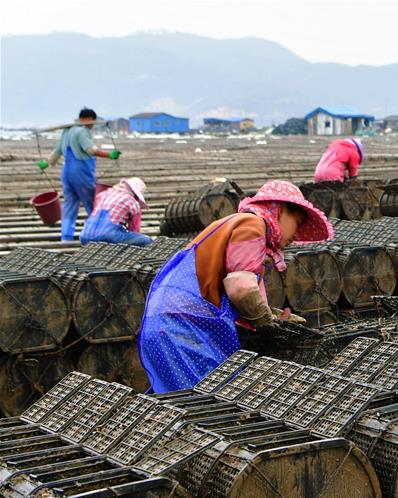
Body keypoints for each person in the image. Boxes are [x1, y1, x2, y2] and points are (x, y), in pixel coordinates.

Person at [138, 180, 334, 392]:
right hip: (181, 327)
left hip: (167, 322)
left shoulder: (234, 224)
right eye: (298, 222)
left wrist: (271, 313)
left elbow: (235, 289)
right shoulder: (252, 226)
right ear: (281, 210)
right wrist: (266, 322)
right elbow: (240, 288)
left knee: (181, 400)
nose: (296, 235)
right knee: (203, 402)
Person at [37, 108, 121, 241]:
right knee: (92, 205)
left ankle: (66, 237)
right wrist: (110, 155)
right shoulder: (82, 131)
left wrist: (45, 164)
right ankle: (95, 234)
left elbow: (56, 152)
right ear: (87, 119)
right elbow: (91, 149)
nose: (92, 125)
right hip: (81, 173)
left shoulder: (67, 131)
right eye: (92, 122)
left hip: (67, 173)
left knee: (69, 206)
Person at [80, 177, 151, 246]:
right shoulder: (132, 202)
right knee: (146, 240)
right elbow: (134, 230)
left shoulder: (103, 194)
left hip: (85, 236)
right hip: (107, 236)